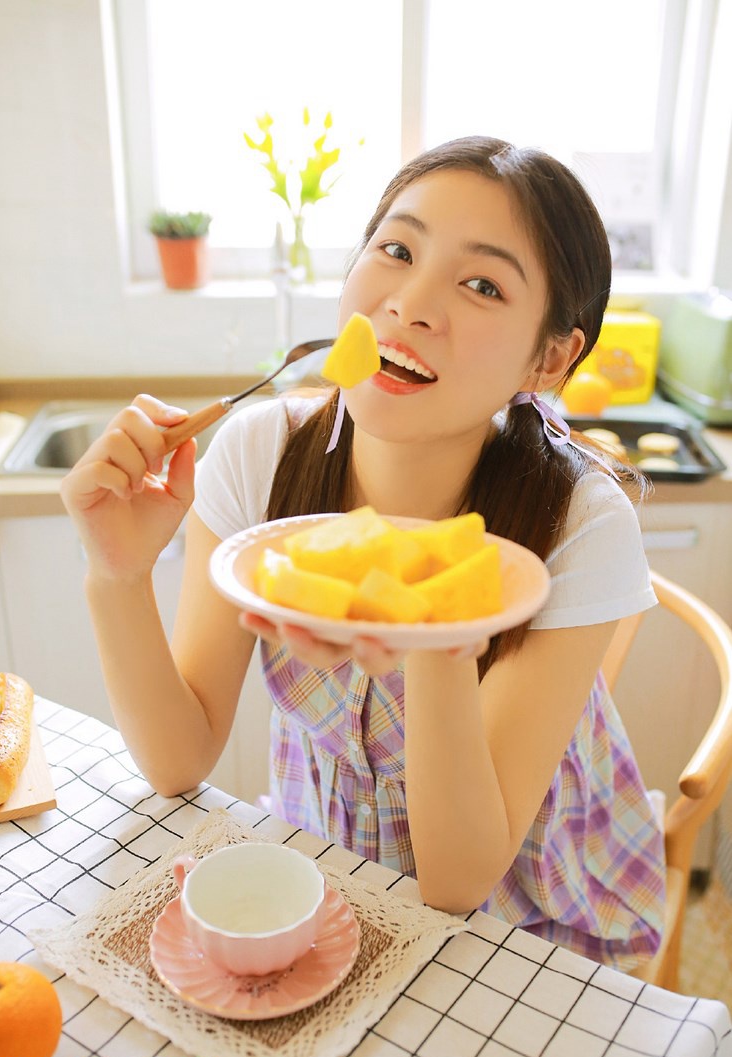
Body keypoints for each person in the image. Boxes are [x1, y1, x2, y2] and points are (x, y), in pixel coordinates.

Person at [60, 135, 665, 971]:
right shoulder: (259, 457)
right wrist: (117, 575)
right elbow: (179, 755)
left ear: (551, 356)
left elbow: (460, 881)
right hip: (334, 878)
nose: (412, 303)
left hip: (528, 920)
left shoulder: (579, 524)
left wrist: (437, 631)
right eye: (397, 249)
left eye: (482, 283)